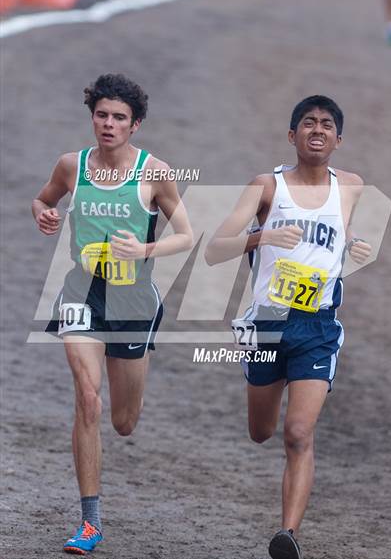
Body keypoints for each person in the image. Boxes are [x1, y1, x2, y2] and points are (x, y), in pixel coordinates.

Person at [32, 73, 193, 554]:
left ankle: (129, 400)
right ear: (93, 117)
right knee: (87, 397)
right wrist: (42, 212)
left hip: (132, 301)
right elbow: (44, 198)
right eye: (101, 115)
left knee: (123, 420)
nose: (108, 124)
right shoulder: (71, 165)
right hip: (81, 294)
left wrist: (145, 248)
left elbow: (185, 234)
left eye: (119, 117)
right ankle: (90, 522)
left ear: (135, 124)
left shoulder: (154, 172)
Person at [205, 96, 371, 559]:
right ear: (291, 135)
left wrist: (352, 244)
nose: (316, 130)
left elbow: (336, 232)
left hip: (316, 328)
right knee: (261, 430)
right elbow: (214, 250)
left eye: (326, 125)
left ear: (338, 139)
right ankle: (264, 408)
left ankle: (287, 535)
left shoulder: (351, 186)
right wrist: (263, 236)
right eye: (307, 123)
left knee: (298, 432)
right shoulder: (266, 187)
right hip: (266, 324)